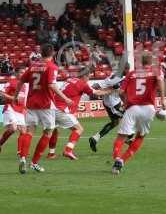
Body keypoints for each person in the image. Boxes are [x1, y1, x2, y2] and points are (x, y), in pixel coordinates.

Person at [13, 44, 73, 173]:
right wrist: (65, 98)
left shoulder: (33, 66)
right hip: (46, 104)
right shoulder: (52, 67)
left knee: (29, 131)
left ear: (41, 53)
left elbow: (20, 82)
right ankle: (34, 162)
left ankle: (23, 158)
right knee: (48, 132)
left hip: (31, 103)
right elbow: (52, 85)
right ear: (53, 54)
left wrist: (15, 96)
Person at [111, 53, 166, 175]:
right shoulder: (156, 70)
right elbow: (160, 82)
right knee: (140, 136)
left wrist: (125, 102)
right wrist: (162, 100)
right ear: (151, 61)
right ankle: (122, 160)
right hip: (148, 108)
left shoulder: (131, 73)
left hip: (132, 108)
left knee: (121, 137)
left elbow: (120, 91)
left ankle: (116, 159)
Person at [46, 69, 111, 160]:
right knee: (79, 129)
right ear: (85, 76)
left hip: (51, 108)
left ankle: (51, 154)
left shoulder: (69, 80)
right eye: (88, 77)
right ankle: (68, 150)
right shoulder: (82, 83)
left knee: (54, 130)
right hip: (62, 109)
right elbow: (96, 93)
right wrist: (110, 91)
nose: (88, 79)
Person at [89, 65, 130, 152]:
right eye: (127, 69)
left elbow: (97, 84)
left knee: (115, 122)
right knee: (130, 117)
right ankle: (126, 138)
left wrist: (94, 89)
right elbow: (121, 93)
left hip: (111, 103)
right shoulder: (120, 79)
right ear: (125, 69)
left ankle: (95, 138)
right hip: (113, 105)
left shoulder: (113, 76)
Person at [0, 69, 28, 155]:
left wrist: (25, 108)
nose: (23, 74)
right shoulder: (11, 82)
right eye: (21, 72)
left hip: (20, 110)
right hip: (10, 108)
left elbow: (24, 98)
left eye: (24, 73)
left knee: (24, 131)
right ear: (17, 73)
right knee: (13, 128)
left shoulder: (25, 85)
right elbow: (1, 92)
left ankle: (20, 152)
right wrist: (13, 98)